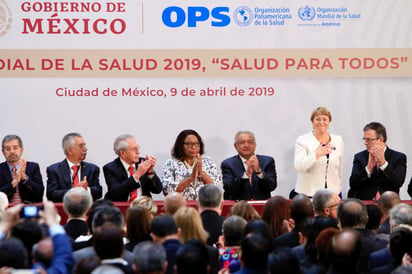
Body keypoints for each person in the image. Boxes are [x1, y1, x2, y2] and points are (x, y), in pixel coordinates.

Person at [293, 107, 344, 197]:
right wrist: (316, 154)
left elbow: (339, 167)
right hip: (309, 193)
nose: (321, 122)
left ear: (329, 122)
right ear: (312, 122)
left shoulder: (338, 140)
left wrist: (338, 187)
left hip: (333, 193)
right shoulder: (303, 140)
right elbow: (299, 166)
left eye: (325, 119)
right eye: (317, 119)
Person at [349, 122, 407, 200]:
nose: (365, 143)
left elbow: (398, 182)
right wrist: (368, 168)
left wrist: (383, 164)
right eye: (364, 139)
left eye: (369, 140)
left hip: (388, 203)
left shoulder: (398, 157)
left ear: (381, 139)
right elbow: (353, 184)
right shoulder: (360, 157)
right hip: (365, 203)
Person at [162, 129, 222, 200]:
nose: (194, 147)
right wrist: (191, 178)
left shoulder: (208, 161)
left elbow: (216, 188)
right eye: (189, 144)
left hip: (205, 205)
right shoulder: (170, 164)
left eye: (196, 144)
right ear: (181, 145)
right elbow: (168, 191)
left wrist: (201, 173)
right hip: (180, 207)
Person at [103, 134, 162, 201]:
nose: (138, 152)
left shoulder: (143, 162)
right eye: (134, 149)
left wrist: (150, 173)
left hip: (143, 207)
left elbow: (157, 190)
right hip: (121, 207)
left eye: (138, 148)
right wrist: (137, 175)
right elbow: (116, 193)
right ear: (122, 153)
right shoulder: (110, 168)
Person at [221, 130, 277, 200]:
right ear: (235, 146)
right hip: (239, 207)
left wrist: (259, 172)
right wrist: (246, 175)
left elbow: (272, 186)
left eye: (250, 142)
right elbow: (229, 189)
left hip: (261, 205)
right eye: (242, 143)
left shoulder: (267, 161)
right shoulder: (228, 164)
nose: (246, 145)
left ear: (255, 145)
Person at [46, 132, 102, 202]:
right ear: (70, 150)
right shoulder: (54, 170)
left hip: (87, 209)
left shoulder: (92, 169)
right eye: (81, 146)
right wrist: (75, 191)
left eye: (85, 146)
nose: (85, 149)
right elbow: (51, 194)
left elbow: (99, 192)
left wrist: (86, 189)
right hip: (64, 209)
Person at [0, 134, 44, 204]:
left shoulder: (33, 167)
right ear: (3, 152)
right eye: (8, 149)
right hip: (5, 211)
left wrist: (24, 178)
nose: (12, 151)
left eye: (15, 148)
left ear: (21, 150)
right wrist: (14, 182)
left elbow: (40, 193)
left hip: (28, 210)